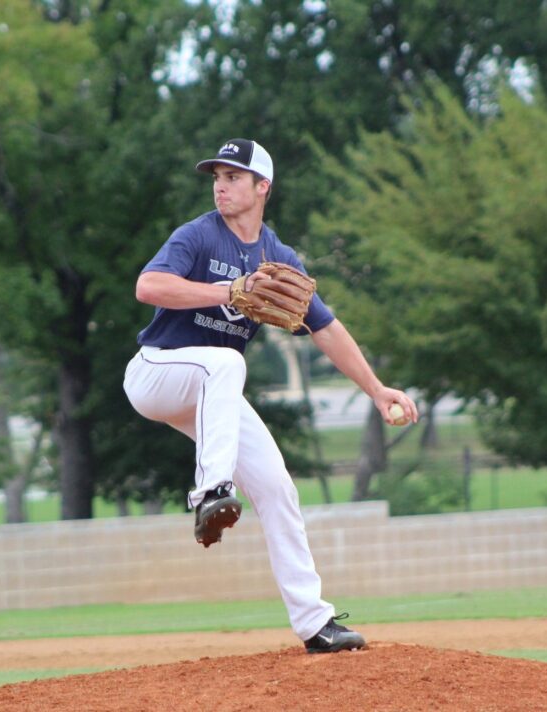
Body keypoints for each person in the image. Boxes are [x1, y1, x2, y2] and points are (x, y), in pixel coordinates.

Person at [123, 138, 419, 653]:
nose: (221, 184)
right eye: (217, 175)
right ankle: (209, 494)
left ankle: (315, 624)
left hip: (212, 390)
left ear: (264, 187)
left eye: (234, 176)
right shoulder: (198, 235)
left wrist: (375, 389)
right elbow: (148, 287)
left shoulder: (276, 256)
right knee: (227, 361)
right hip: (157, 374)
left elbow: (324, 327)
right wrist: (228, 292)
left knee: (278, 488)